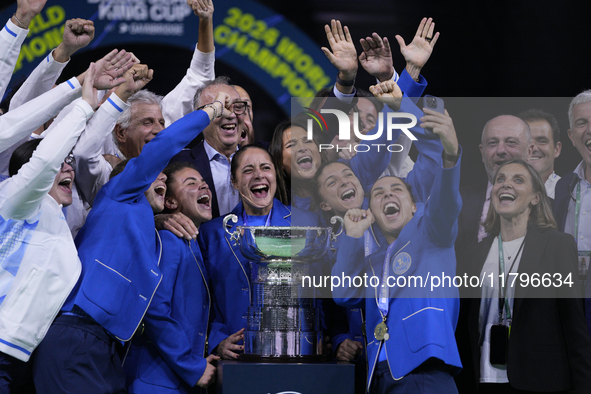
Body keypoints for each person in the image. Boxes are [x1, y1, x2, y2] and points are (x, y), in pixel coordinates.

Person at [31, 92, 232, 393]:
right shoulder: (120, 191)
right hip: (77, 333)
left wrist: (158, 220)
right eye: (155, 174)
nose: (161, 176)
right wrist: (212, 110)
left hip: (107, 348)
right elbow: (162, 147)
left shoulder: (150, 231)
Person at [0, 55, 129, 392]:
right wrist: (83, 105)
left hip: (23, 354)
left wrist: (88, 91)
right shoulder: (17, 199)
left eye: (69, 164)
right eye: (63, 163)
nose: (69, 169)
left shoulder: (53, 218)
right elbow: (42, 158)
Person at [331, 100, 462, 393]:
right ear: (372, 212)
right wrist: (353, 236)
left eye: (397, 190)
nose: (387, 194)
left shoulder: (433, 232)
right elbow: (343, 295)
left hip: (425, 372)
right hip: (378, 375)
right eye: (377, 193)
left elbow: (447, 200)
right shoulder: (372, 254)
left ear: (415, 206)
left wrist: (450, 154)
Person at [459, 159, 591, 393]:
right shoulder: (474, 254)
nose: (505, 184)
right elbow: (465, 329)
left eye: (517, 180)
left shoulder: (557, 245)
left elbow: (574, 324)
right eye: (500, 179)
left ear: (535, 197)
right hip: (484, 380)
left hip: (540, 381)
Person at [198, 145, 319, 359]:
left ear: (275, 175)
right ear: (234, 182)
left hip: (295, 348)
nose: (259, 175)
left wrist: (319, 335)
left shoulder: (306, 222)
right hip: (239, 350)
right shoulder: (213, 232)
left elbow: (319, 290)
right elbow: (205, 300)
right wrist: (217, 340)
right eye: (248, 170)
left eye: (265, 167)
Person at [124, 162, 218, 393]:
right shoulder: (169, 240)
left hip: (178, 381)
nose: (203, 185)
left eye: (203, 182)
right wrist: (191, 366)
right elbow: (154, 309)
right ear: (171, 202)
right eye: (191, 183)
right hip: (158, 381)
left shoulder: (192, 244)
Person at [457, 115, 533, 254]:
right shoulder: (458, 202)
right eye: (492, 143)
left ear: (529, 151)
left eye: (511, 142)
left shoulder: (551, 205)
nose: (500, 150)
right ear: (482, 152)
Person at [171, 77, 243, 218]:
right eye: (219, 108)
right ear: (200, 117)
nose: (231, 115)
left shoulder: (264, 159)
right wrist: (159, 219)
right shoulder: (177, 163)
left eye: (237, 107)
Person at [554, 90, 591, 335]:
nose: (589, 129)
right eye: (581, 123)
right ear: (571, 136)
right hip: (571, 307)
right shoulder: (563, 186)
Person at [518, 109, 562, 198]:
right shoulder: (500, 193)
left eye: (542, 141)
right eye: (526, 141)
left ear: (556, 149)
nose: (533, 148)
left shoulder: (571, 193)